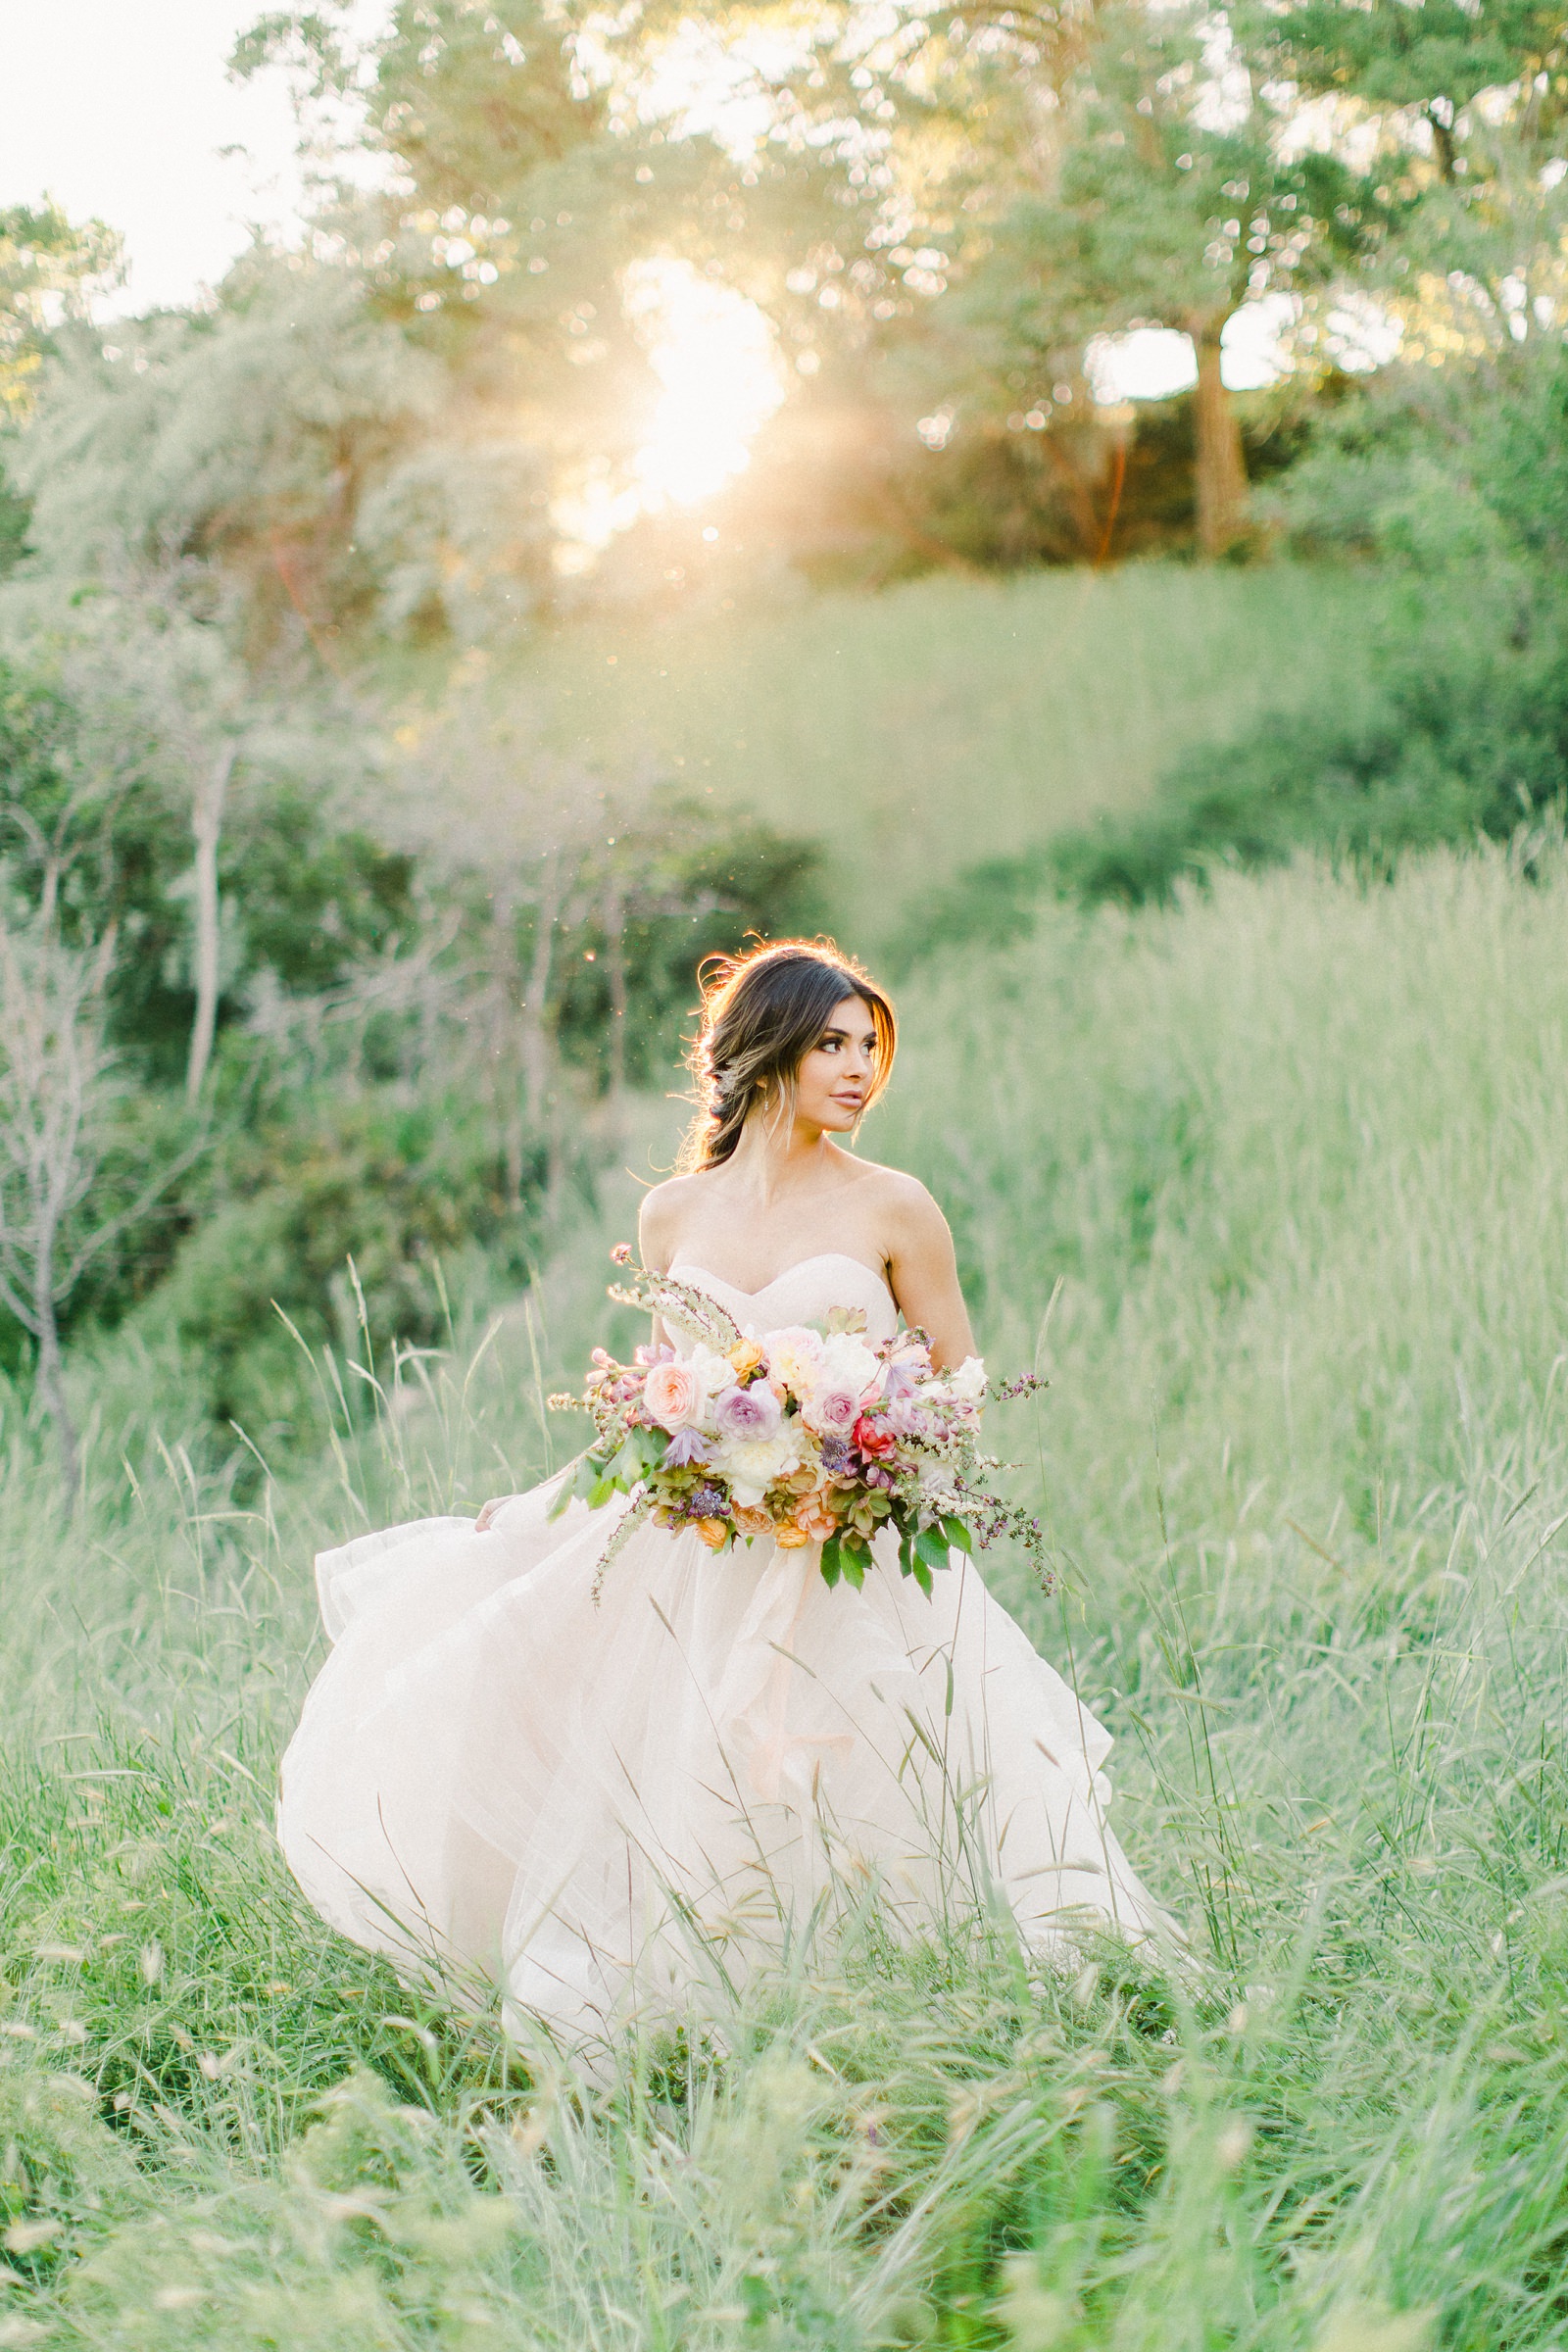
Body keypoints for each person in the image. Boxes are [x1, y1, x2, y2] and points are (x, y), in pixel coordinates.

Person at [277, 941, 1172, 2050]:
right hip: (698, 1554)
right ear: (765, 1053)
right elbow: (656, 1403)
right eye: (831, 1044)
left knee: (863, 1780)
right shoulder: (672, 1215)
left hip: (844, 1551)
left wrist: (854, 1449)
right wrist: (539, 1504)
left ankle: (903, 2021)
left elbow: (958, 1393)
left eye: (868, 1047)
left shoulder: (897, 1207)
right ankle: (707, 2023)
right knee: (683, 1774)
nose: (858, 1069)